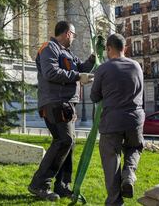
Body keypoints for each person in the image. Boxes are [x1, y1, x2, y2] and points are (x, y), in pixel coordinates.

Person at [28, 21, 95, 201]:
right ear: (67, 33)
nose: (74, 38)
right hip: (55, 102)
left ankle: (63, 185)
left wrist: (92, 60)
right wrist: (77, 76)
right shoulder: (49, 48)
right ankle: (39, 184)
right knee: (63, 140)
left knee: (69, 142)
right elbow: (51, 72)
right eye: (73, 34)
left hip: (66, 103)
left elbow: (81, 69)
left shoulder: (67, 53)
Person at [90, 33, 145, 206]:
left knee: (111, 159)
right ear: (125, 48)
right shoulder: (137, 66)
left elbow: (94, 97)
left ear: (108, 49)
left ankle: (114, 201)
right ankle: (128, 175)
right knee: (135, 147)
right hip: (134, 119)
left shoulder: (103, 69)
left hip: (111, 121)